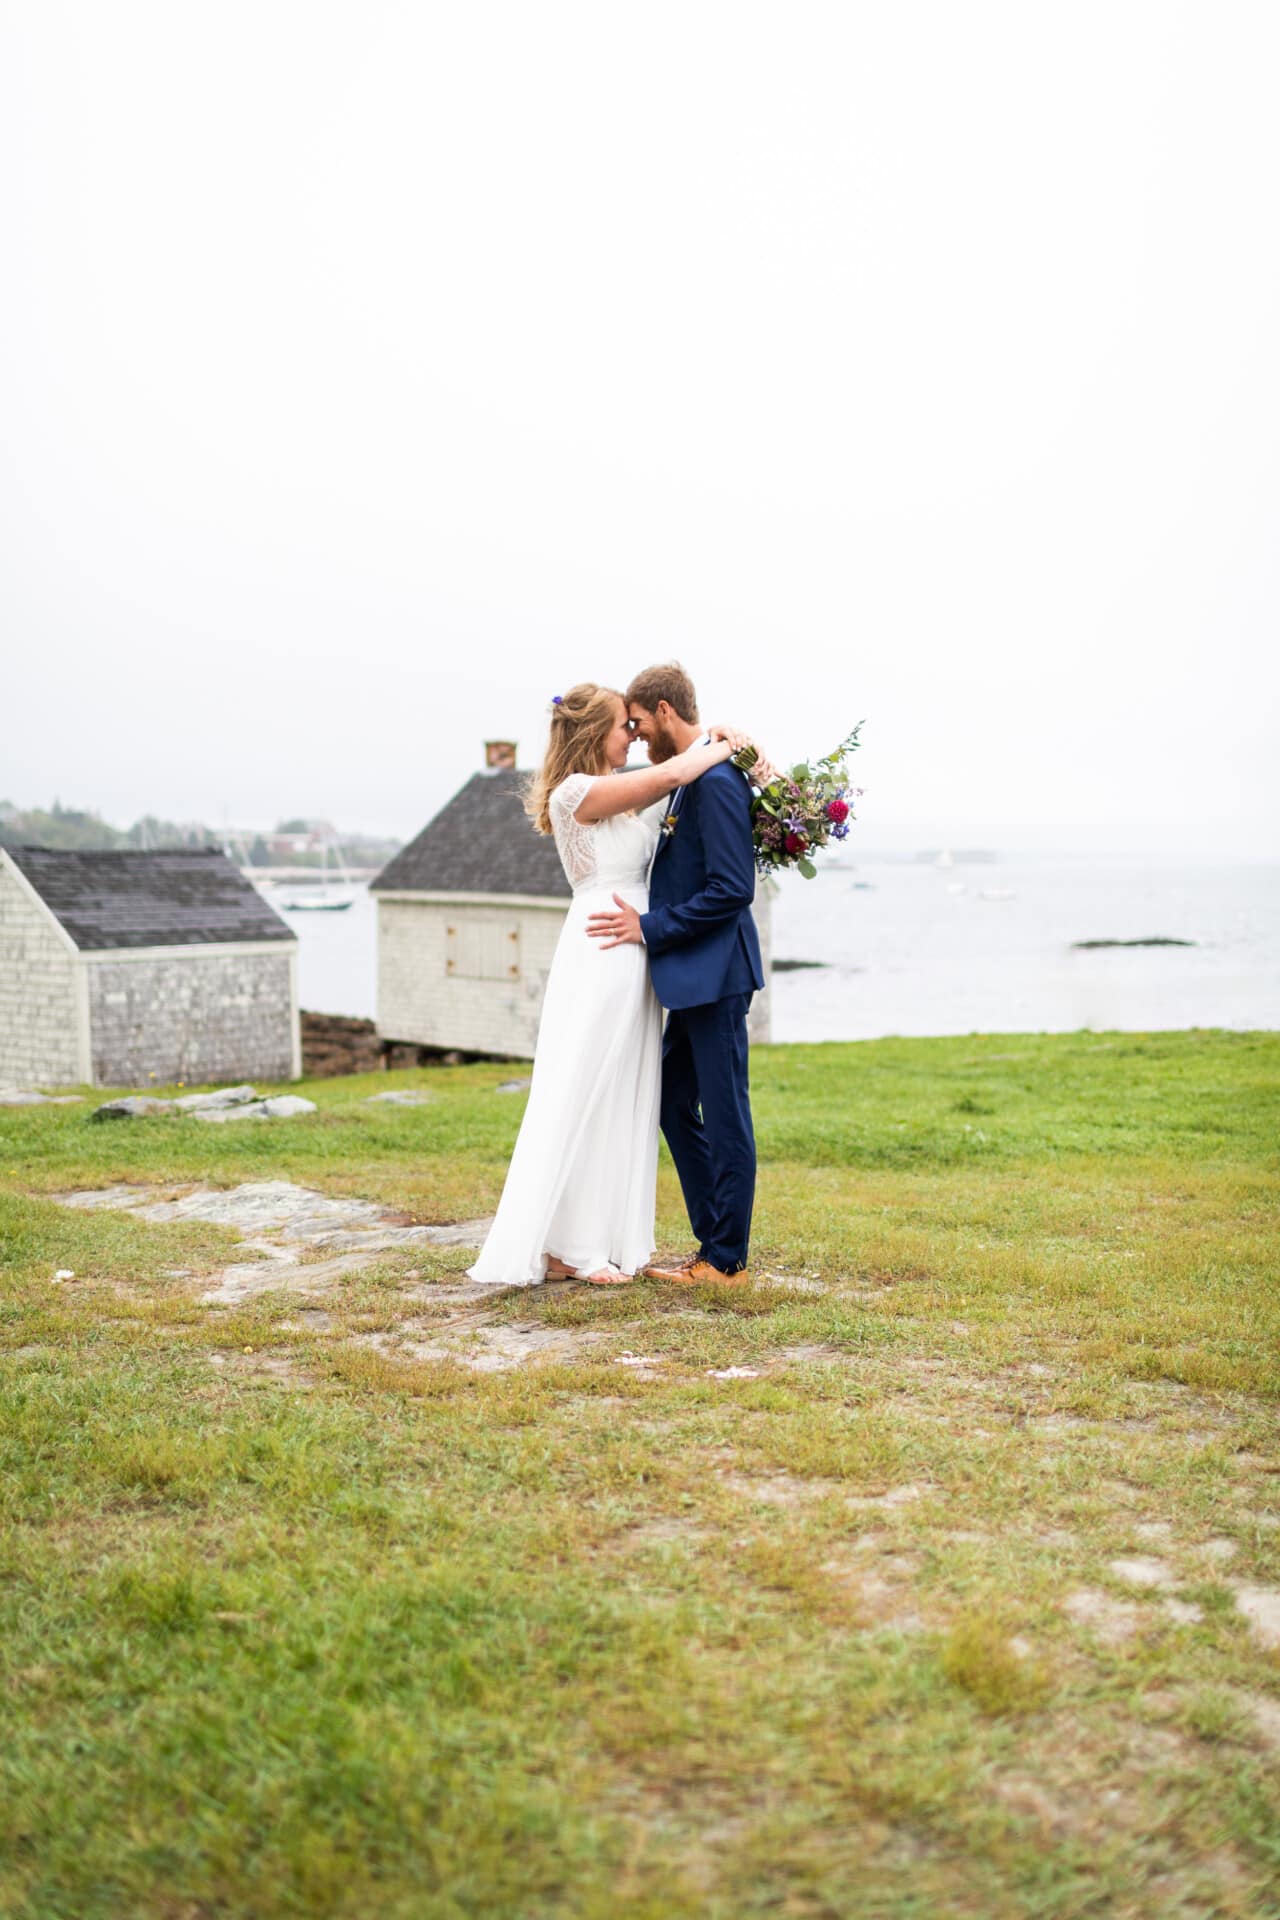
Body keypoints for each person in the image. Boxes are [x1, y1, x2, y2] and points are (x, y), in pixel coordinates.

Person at [466, 683, 754, 1287]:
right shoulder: (580, 792)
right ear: (596, 733)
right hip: (604, 949)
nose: (635, 735)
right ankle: (575, 1246)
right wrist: (721, 742)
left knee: (624, 1092)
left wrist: (729, 745)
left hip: (635, 952)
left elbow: (676, 790)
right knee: (587, 1089)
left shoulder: (621, 800)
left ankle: (581, 1241)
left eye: (637, 723)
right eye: (625, 726)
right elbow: (675, 771)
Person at [586, 662, 764, 1288]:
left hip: (716, 975)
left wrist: (649, 928)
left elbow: (732, 888)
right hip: (695, 977)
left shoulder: (713, 783)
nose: (635, 734)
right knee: (668, 1097)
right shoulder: (692, 777)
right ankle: (713, 1240)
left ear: (664, 711)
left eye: (637, 721)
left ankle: (725, 1261)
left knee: (725, 1112)